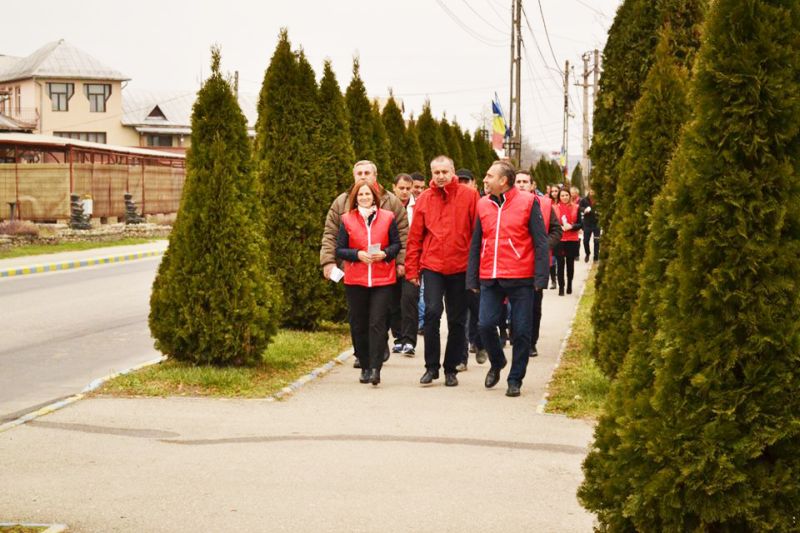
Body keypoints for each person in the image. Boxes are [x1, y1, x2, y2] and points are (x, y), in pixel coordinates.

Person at [467, 160, 549, 397]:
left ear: (503, 181)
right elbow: (476, 243)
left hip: (521, 277)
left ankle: (515, 379)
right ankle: (497, 361)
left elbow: (541, 241)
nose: (485, 180)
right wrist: (472, 278)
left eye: (489, 176)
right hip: (490, 276)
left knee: (521, 331)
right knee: (484, 324)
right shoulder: (483, 204)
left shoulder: (528, 202)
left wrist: (540, 277)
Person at [320, 160, 409, 368]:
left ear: (375, 176)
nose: (363, 176)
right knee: (358, 316)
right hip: (353, 269)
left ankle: (379, 347)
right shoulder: (341, 202)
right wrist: (328, 262)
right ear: (353, 176)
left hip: (383, 270)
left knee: (380, 314)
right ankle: (361, 354)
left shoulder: (391, 201)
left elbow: (403, 234)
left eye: (367, 172)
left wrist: (401, 262)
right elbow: (330, 234)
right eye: (359, 173)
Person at [406, 155, 479, 387]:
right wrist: (412, 270)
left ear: (452, 171)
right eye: (436, 172)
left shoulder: (469, 196)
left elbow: (477, 233)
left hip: (461, 266)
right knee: (432, 312)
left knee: (457, 319)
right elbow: (415, 237)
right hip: (433, 265)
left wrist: (476, 269)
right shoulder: (425, 199)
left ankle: (451, 368)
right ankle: (431, 367)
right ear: (431, 174)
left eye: (444, 172)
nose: (440, 176)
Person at [336, 180, 401, 386]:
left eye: (368, 194)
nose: (364, 197)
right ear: (355, 198)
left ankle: (375, 368)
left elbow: (397, 244)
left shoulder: (388, 217)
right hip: (356, 279)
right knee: (359, 324)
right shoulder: (347, 219)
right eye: (361, 195)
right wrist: (357, 254)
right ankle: (364, 365)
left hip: (383, 279)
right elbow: (340, 249)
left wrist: (385, 253)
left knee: (377, 323)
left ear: (375, 197)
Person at [454, 168, 488, 371]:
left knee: (478, 309)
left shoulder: (482, 204)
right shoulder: (451, 202)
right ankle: (461, 358)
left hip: (477, 266)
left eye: (466, 181)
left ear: (474, 183)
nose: (462, 185)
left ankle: (481, 343)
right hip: (457, 266)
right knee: (460, 314)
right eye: (459, 181)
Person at [530, 187, 562, 357]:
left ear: (532, 185)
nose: (521, 185)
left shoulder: (545, 205)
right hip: (512, 264)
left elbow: (557, 231)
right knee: (511, 306)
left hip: (537, 265)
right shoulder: (503, 204)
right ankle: (511, 335)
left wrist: (542, 246)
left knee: (534, 306)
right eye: (518, 181)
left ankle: (531, 342)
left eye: (525, 182)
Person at [389, 174, 418, 356]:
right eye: (401, 188)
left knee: (409, 298)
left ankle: (409, 340)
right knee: (393, 301)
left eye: (408, 188)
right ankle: (399, 337)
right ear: (394, 187)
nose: (405, 192)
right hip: (391, 258)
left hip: (412, 260)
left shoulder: (418, 206)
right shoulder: (388, 206)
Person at [554, 188, 582, 295]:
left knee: (570, 264)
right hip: (559, 239)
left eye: (566, 195)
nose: (564, 197)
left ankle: (569, 284)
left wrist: (572, 226)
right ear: (559, 197)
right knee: (560, 264)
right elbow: (551, 224)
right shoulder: (554, 208)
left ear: (570, 196)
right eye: (562, 195)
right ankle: (561, 287)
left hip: (572, 239)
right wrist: (559, 227)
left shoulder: (576, 207)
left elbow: (580, 224)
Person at [579, 188, 600, 262]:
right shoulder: (584, 200)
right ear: (589, 191)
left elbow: (602, 207)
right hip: (587, 223)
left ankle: (596, 256)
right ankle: (587, 253)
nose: (592, 193)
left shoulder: (599, 199)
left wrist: (599, 212)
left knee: (596, 241)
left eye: (594, 191)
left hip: (597, 223)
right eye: (591, 191)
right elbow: (580, 207)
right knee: (585, 241)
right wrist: (584, 210)